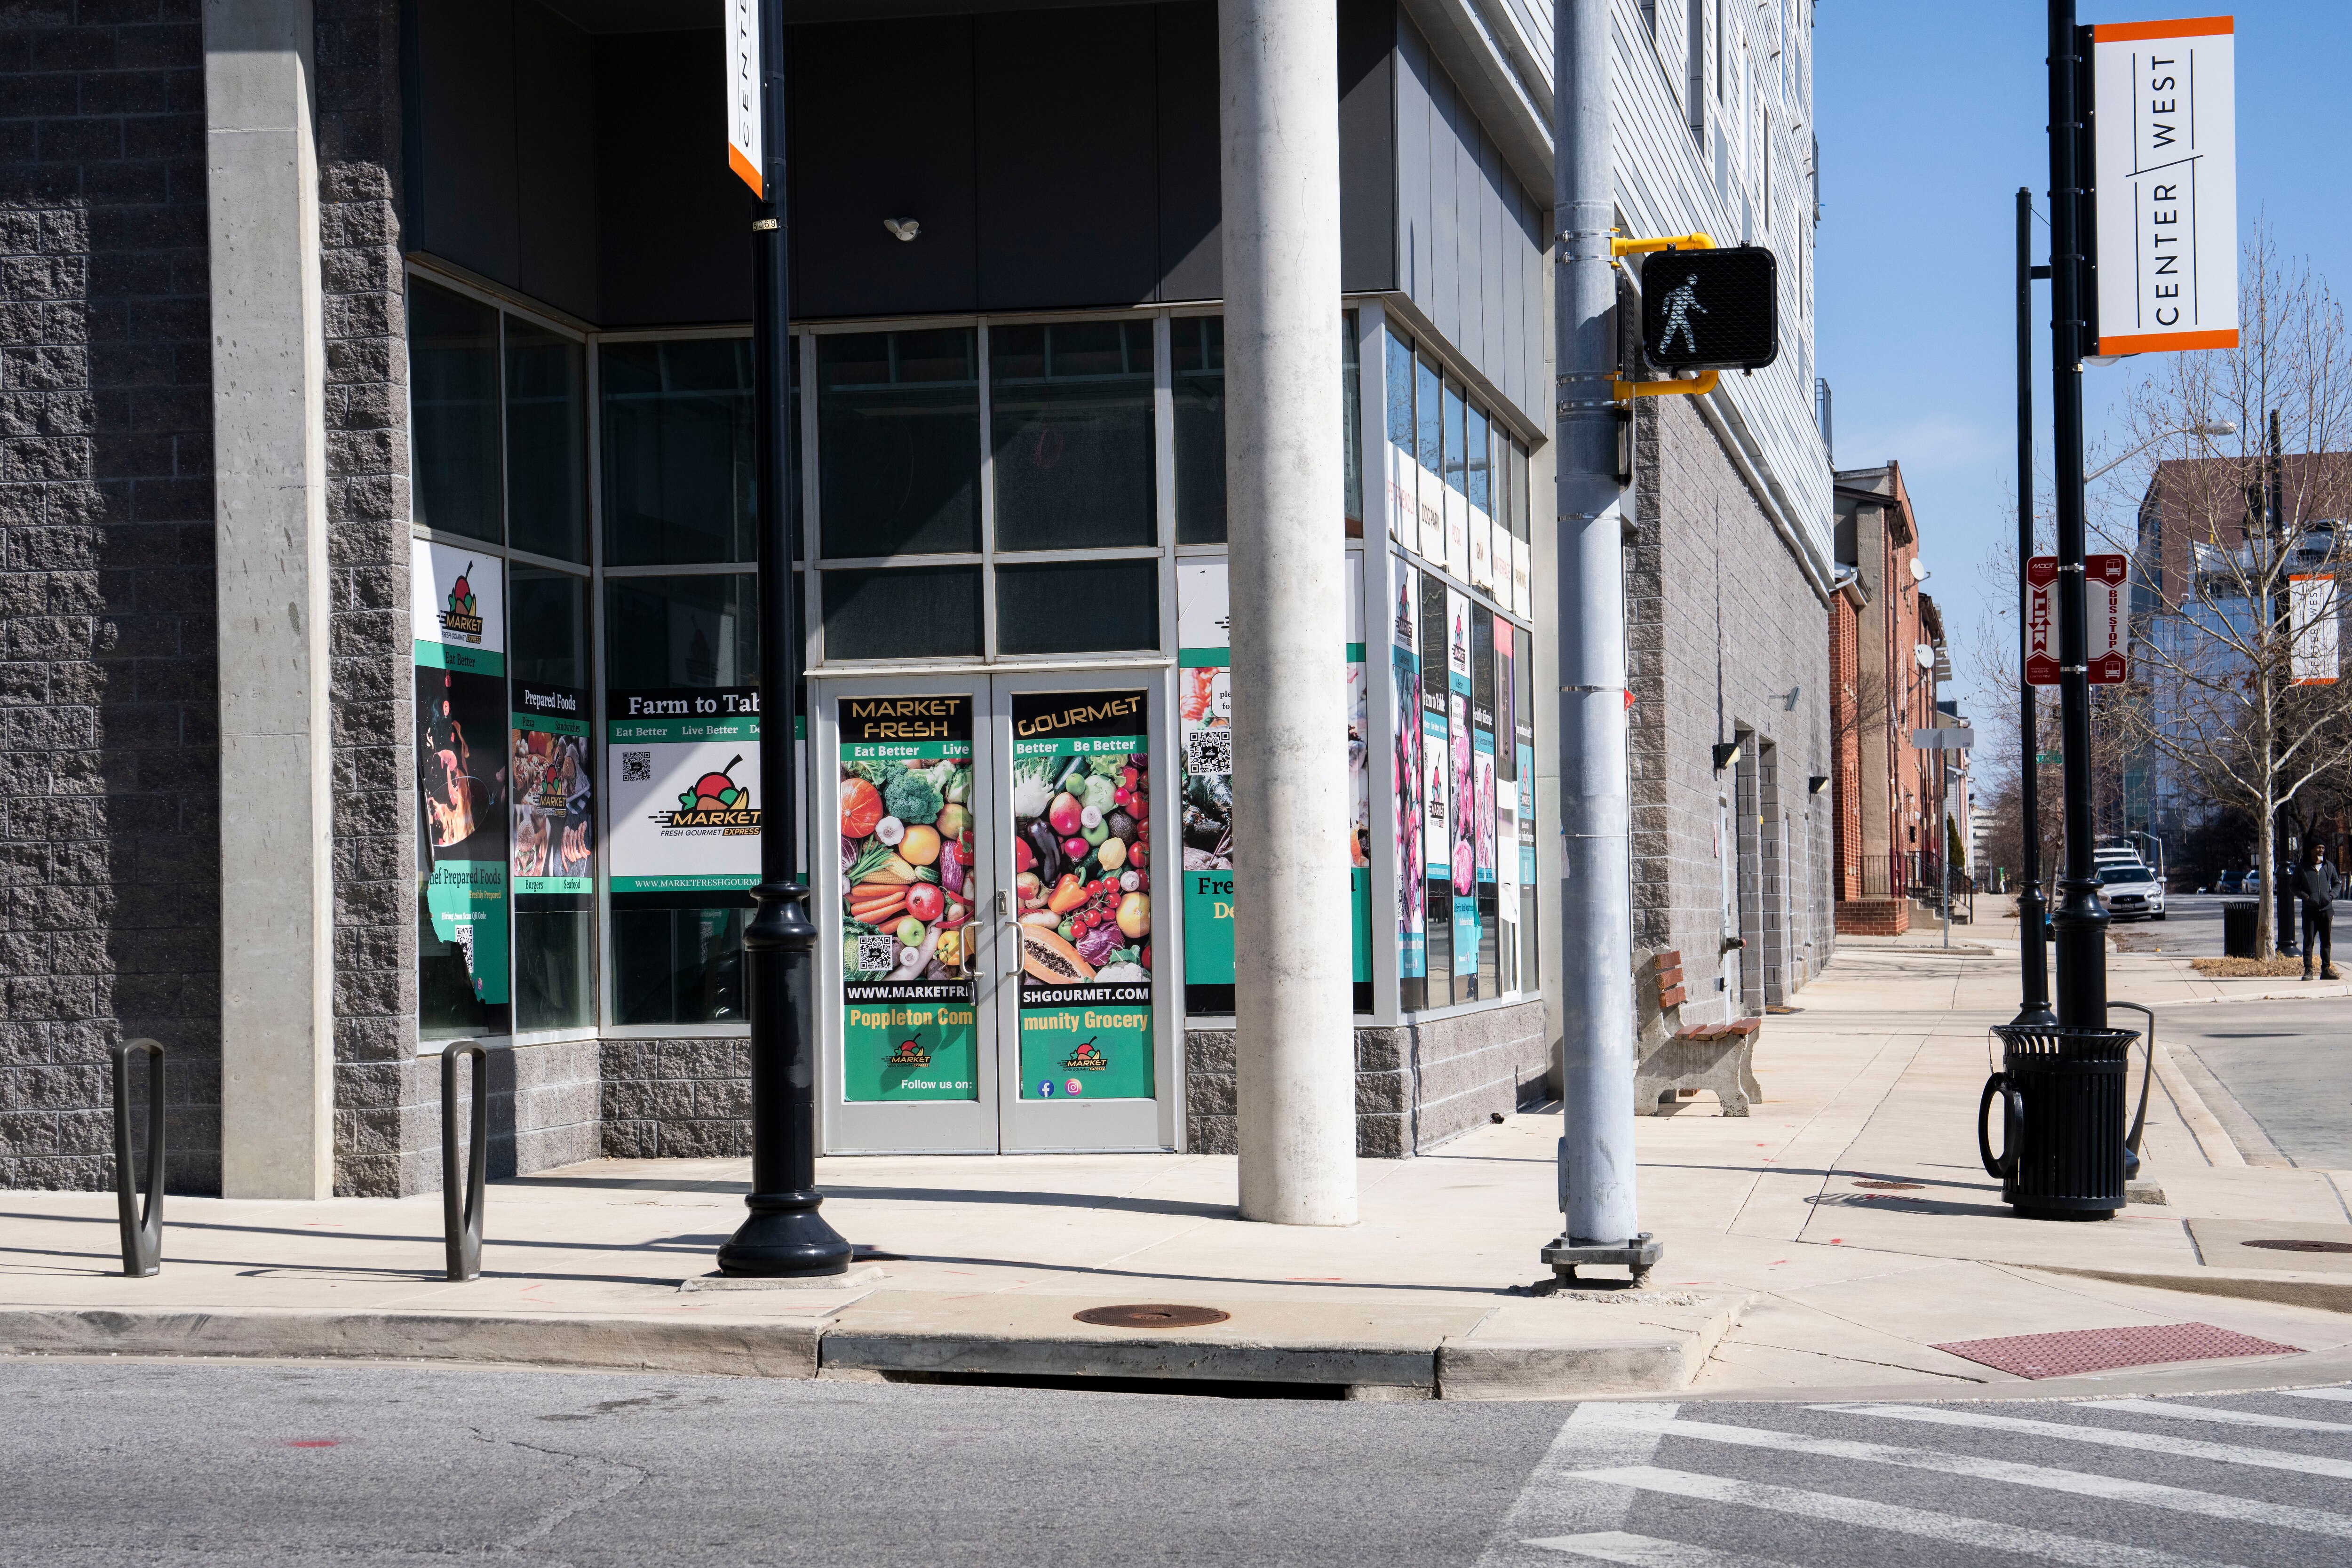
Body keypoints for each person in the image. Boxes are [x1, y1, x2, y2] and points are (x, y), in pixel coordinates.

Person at [2296, 843, 2343, 981]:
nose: (2321, 850)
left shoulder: (2328, 866)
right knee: (2309, 941)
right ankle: (2308, 970)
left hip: (2326, 910)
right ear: (2312, 850)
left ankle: (2326, 970)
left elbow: (2337, 883)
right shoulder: (2302, 868)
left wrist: (2331, 896)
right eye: (2318, 848)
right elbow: (2293, 886)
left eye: (2323, 848)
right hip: (2310, 911)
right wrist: (2306, 897)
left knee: (2326, 941)